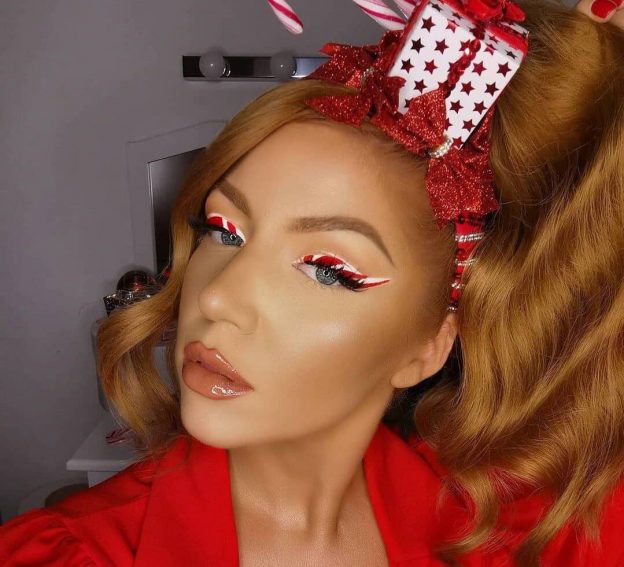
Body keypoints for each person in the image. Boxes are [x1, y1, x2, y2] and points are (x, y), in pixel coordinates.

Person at [1, 0, 623, 565]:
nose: (216, 297)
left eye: (326, 268)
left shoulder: (512, 532)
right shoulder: (62, 555)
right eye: (224, 230)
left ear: (429, 345)